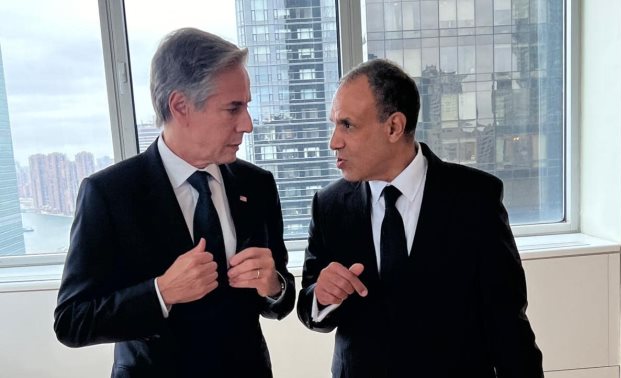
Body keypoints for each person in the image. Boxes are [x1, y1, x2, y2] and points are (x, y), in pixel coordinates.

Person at [54, 27, 295, 378]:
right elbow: (71, 322)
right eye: (233, 108)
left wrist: (273, 284)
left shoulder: (257, 185)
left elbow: (279, 299)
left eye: (247, 106)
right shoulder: (108, 194)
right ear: (181, 106)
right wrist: (161, 293)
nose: (248, 124)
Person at [296, 58, 544, 377]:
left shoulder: (475, 199)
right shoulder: (329, 205)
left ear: (394, 127)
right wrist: (321, 296)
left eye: (348, 125)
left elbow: (508, 325)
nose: (334, 141)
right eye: (334, 124)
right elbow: (310, 309)